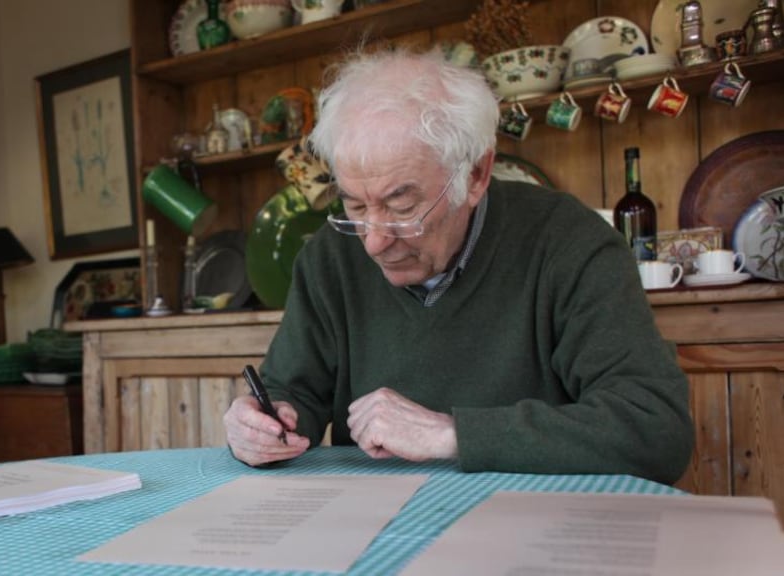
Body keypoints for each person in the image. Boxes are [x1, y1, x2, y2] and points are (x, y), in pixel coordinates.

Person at [223, 48, 693, 484]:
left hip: (536, 529)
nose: (374, 241)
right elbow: (291, 396)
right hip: (379, 534)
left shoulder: (568, 241)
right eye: (356, 207)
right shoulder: (329, 257)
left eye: (402, 206)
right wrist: (259, 426)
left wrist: (450, 435)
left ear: (475, 176)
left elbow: (656, 429)